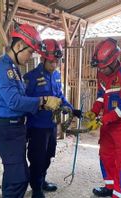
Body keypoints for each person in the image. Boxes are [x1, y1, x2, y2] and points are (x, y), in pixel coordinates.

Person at [0, 23, 62, 198]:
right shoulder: (4, 69)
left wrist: (44, 104)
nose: (30, 57)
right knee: (18, 179)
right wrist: (42, 101)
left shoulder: (13, 69)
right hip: (7, 129)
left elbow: (21, 99)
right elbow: (14, 101)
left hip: (16, 128)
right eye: (29, 52)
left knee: (15, 175)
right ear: (19, 45)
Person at [23, 39, 82, 198]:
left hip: (51, 125)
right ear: (42, 58)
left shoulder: (56, 75)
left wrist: (71, 109)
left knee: (48, 155)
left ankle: (42, 181)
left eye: (57, 61)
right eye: (51, 62)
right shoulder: (31, 77)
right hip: (36, 127)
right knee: (37, 158)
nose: (54, 65)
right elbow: (24, 102)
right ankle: (36, 188)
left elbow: (60, 96)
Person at [83, 38, 121, 198]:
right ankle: (110, 187)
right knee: (105, 155)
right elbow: (101, 96)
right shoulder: (101, 73)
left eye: (103, 67)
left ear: (114, 61)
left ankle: (120, 194)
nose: (101, 70)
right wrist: (93, 111)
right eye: (99, 67)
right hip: (107, 123)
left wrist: (101, 120)